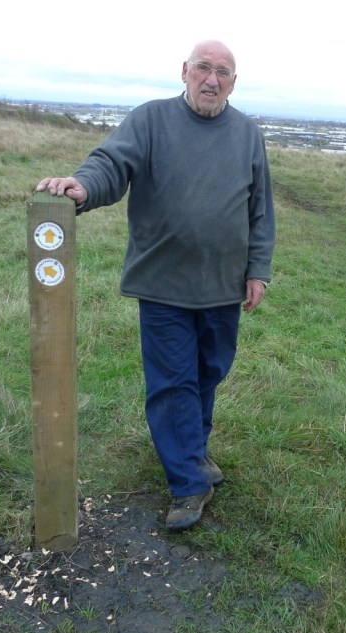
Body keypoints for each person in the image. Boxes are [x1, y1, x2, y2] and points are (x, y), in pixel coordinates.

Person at [37, 40, 276, 532]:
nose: (212, 80)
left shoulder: (247, 135)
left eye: (223, 73)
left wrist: (258, 270)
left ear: (234, 83)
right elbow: (111, 164)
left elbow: (260, 209)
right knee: (172, 384)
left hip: (222, 285)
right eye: (204, 68)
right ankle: (189, 483)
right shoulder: (151, 120)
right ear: (185, 71)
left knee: (208, 373)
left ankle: (194, 452)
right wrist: (83, 187)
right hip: (163, 282)